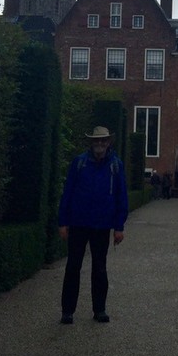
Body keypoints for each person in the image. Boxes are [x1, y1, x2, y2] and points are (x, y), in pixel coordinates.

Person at [58, 126, 128, 324]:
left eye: (103, 140)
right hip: (79, 222)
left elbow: (121, 196)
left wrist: (119, 226)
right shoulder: (79, 162)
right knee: (73, 267)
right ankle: (68, 311)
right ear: (92, 142)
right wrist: (63, 221)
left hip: (101, 224)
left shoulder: (116, 165)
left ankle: (99, 309)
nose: (99, 144)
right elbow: (68, 192)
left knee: (99, 268)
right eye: (96, 140)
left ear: (108, 142)